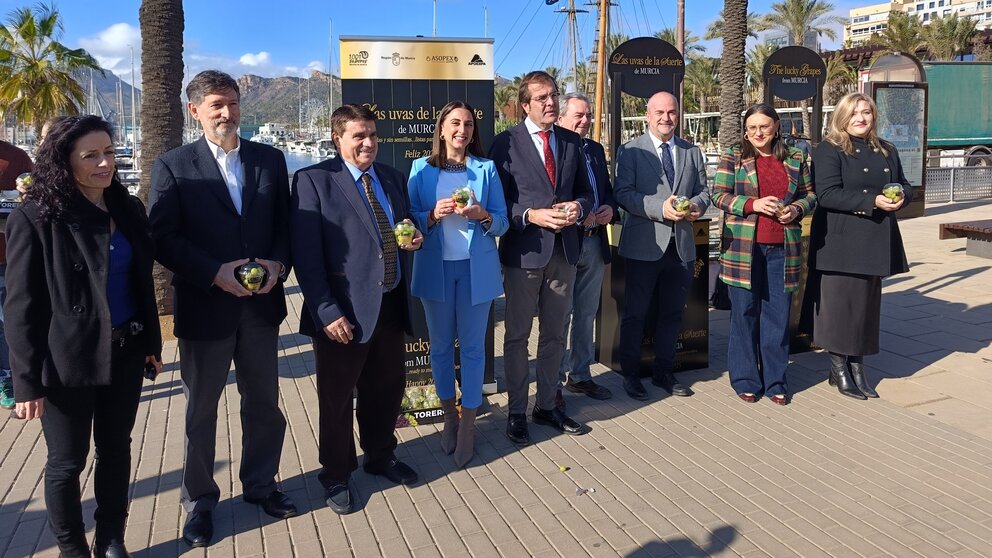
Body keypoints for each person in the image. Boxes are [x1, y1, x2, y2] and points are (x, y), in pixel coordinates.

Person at [148, 70, 296, 548]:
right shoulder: (173, 166)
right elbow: (162, 238)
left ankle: (260, 485)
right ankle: (200, 502)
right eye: (216, 105)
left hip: (260, 309)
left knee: (264, 406)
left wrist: (277, 264)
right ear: (195, 111)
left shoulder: (270, 160)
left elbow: (285, 227)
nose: (227, 113)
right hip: (205, 309)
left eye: (231, 103)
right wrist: (214, 272)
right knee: (201, 412)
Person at [5, 115, 163, 558]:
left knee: (116, 449)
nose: (105, 163)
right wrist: (26, 382)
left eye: (109, 152)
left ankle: (111, 538)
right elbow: (20, 307)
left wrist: (151, 343)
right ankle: (72, 548)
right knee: (66, 463)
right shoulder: (36, 218)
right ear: (64, 160)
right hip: (66, 360)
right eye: (90, 155)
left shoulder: (128, 209)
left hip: (127, 350)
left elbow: (140, 283)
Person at [291, 104, 423, 514]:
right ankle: (335, 472)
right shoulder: (313, 181)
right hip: (342, 313)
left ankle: (381, 455)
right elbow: (306, 256)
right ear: (338, 139)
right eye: (358, 136)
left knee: (386, 390)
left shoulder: (392, 178)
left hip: (390, 302)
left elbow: (402, 227)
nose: (368, 143)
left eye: (372, 135)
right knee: (336, 397)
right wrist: (326, 311)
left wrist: (413, 238)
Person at [488, 70, 593, 445]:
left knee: (554, 334)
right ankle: (517, 410)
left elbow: (586, 192)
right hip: (523, 254)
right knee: (517, 336)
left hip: (564, 252)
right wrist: (530, 215)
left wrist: (578, 209)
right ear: (525, 105)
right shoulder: (505, 144)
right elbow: (495, 204)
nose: (551, 103)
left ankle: (546, 405)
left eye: (553, 95)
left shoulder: (570, 141)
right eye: (542, 98)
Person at [407, 101, 508, 468]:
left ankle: (468, 424)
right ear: (442, 128)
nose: (461, 130)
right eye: (454, 123)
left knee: (472, 349)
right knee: (439, 349)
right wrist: (433, 214)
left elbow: (503, 222)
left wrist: (481, 214)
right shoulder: (421, 170)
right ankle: (448, 416)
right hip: (435, 270)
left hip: (475, 271)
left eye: (467, 124)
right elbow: (410, 220)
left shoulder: (486, 169)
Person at [808, 92, 912, 400]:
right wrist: (871, 201)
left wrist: (900, 195)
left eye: (866, 112)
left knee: (865, 309)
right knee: (841, 308)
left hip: (876, 236)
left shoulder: (887, 149)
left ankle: (858, 366)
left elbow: (904, 183)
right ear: (842, 117)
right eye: (854, 113)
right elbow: (827, 195)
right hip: (840, 240)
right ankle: (840, 367)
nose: (861, 118)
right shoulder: (829, 149)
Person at [712, 104, 816, 406]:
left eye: (765, 126)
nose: (758, 132)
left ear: (776, 128)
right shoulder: (733, 156)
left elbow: (811, 195)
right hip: (743, 247)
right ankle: (745, 379)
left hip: (783, 247)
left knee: (777, 315)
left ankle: (776, 380)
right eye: (753, 127)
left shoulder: (796, 158)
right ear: (746, 129)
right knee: (743, 314)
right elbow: (719, 195)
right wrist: (752, 205)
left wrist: (797, 209)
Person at [613, 91, 710, 401]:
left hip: (681, 246)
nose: (666, 117)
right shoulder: (629, 151)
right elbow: (623, 194)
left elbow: (705, 192)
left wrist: (695, 207)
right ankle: (631, 374)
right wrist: (660, 208)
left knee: (672, 313)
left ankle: (664, 372)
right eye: (660, 112)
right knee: (635, 314)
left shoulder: (691, 151)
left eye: (671, 112)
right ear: (648, 115)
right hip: (644, 245)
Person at [555, 93, 616, 405]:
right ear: (561, 118)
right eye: (578, 115)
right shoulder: (555, 148)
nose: (585, 121)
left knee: (587, 313)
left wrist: (608, 207)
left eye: (588, 116)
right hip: (566, 244)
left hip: (594, 242)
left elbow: (606, 190)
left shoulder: (594, 149)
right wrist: (576, 215)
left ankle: (580, 375)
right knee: (560, 315)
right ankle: (553, 382)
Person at [0, 139, 32, 410]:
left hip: (7, 257)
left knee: (6, 322)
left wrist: (23, 193)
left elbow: (34, 199)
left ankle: (8, 379)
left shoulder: (15, 156)